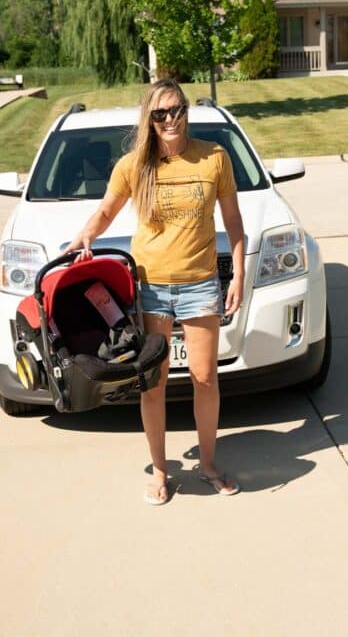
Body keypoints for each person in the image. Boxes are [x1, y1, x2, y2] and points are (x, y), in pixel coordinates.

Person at [64, 78, 245, 504]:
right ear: (149, 118)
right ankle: (161, 471)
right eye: (159, 113)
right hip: (151, 288)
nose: (169, 120)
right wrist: (85, 237)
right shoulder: (133, 166)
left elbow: (234, 222)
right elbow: (106, 210)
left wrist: (236, 274)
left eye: (176, 110)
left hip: (200, 283)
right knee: (154, 383)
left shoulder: (214, 158)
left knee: (204, 377)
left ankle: (208, 463)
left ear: (186, 110)